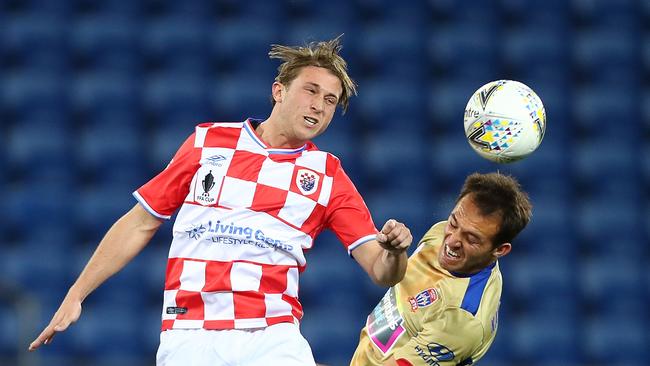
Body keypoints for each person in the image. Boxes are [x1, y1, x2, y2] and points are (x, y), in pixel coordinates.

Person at [29, 37, 413, 365]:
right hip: (190, 330)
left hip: (271, 335)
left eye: (330, 100)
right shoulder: (207, 142)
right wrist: (76, 294)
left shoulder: (328, 175)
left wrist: (395, 251)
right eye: (311, 90)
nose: (319, 105)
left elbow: (383, 271)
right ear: (279, 90)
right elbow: (139, 222)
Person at [350, 172, 532, 366]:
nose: (452, 241)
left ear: (500, 250)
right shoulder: (440, 232)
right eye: (453, 223)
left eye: (471, 239)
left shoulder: (462, 318)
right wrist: (395, 253)